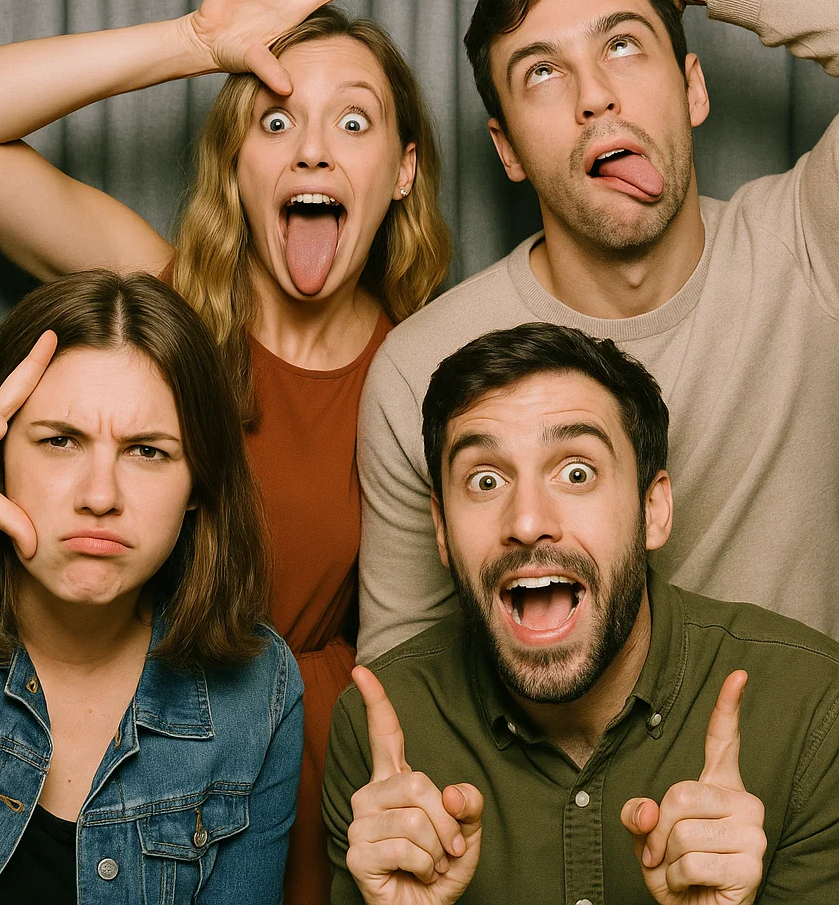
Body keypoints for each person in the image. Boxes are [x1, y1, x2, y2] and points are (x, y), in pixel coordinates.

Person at [0, 0, 449, 900]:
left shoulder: (434, 368)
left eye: (353, 120)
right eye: (275, 118)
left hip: (332, 757)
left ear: (403, 168)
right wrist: (194, 41)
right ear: (238, 166)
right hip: (116, 737)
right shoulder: (166, 313)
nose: (313, 149)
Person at [356, 0, 839, 663]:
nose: (595, 98)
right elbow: (403, 669)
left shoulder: (808, 239)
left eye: (622, 45)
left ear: (692, 87)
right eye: (543, 73)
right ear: (508, 148)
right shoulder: (420, 366)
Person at [0, 271, 303, 905]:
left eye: (147, 451)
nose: (100, 496)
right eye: (59, 441)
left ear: (198, 488)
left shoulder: (258, 692)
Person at [325, 323, 839, 903]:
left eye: (576, 473)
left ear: (653, 509)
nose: (526, 522)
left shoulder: (812, 713)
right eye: (486, 480)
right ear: (442, 531)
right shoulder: (381, 737)